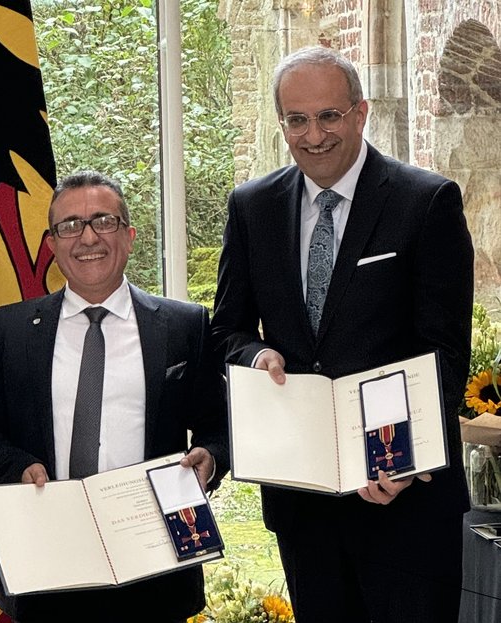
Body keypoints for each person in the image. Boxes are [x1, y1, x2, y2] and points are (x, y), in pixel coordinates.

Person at [211, 46, 474, 623]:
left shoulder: (426, 201)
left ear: (361, 113)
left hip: (404, 499)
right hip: (302, 503)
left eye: (329, 116)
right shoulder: (252, 207)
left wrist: (403, 459)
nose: (314, 135)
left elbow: (446, 353)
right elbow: (226, 331)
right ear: (281, 122)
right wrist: (255, 356)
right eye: (297, 119)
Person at [0, 170, 229, 623]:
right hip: (47, 564)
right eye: (70, 225)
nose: (88, 237)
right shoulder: (10, 330)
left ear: (130, 236)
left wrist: (210, 458)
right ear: (52, 245)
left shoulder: (183, 326)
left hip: (154, 567)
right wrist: (16, 466)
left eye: (104, 221)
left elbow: (218, 425)